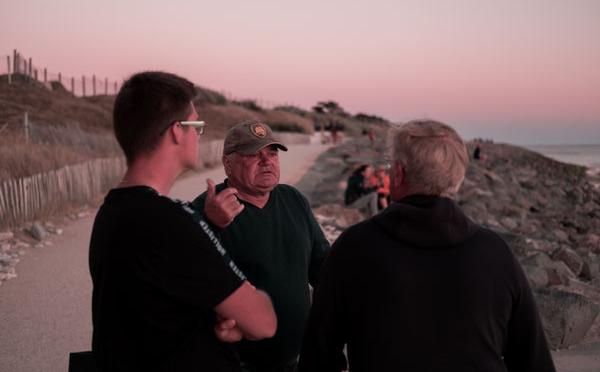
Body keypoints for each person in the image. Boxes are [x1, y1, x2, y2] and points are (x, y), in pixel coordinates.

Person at [299, 119, 555, 372]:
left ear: (398, 173)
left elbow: (318, 355)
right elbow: (533, 360)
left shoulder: (353, 247)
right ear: (458, 178)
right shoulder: (495, 253)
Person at [89, 72, 277, 372]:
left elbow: (156, 306)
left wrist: (217, 317)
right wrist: (245, 307)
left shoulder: (111, 213)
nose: (198, 136)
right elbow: (262, 321)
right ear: (178, 131)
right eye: (197, 127)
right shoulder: (170, 220)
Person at [193, 121, 331, 372]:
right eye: (254, 155)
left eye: (272, 154)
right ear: (228, 164)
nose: (266, 161)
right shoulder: (210, 208)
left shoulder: (294, 200)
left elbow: (325, 269)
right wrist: (212, 226)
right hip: (233, 362)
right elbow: (187, 283)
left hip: (294, 359)